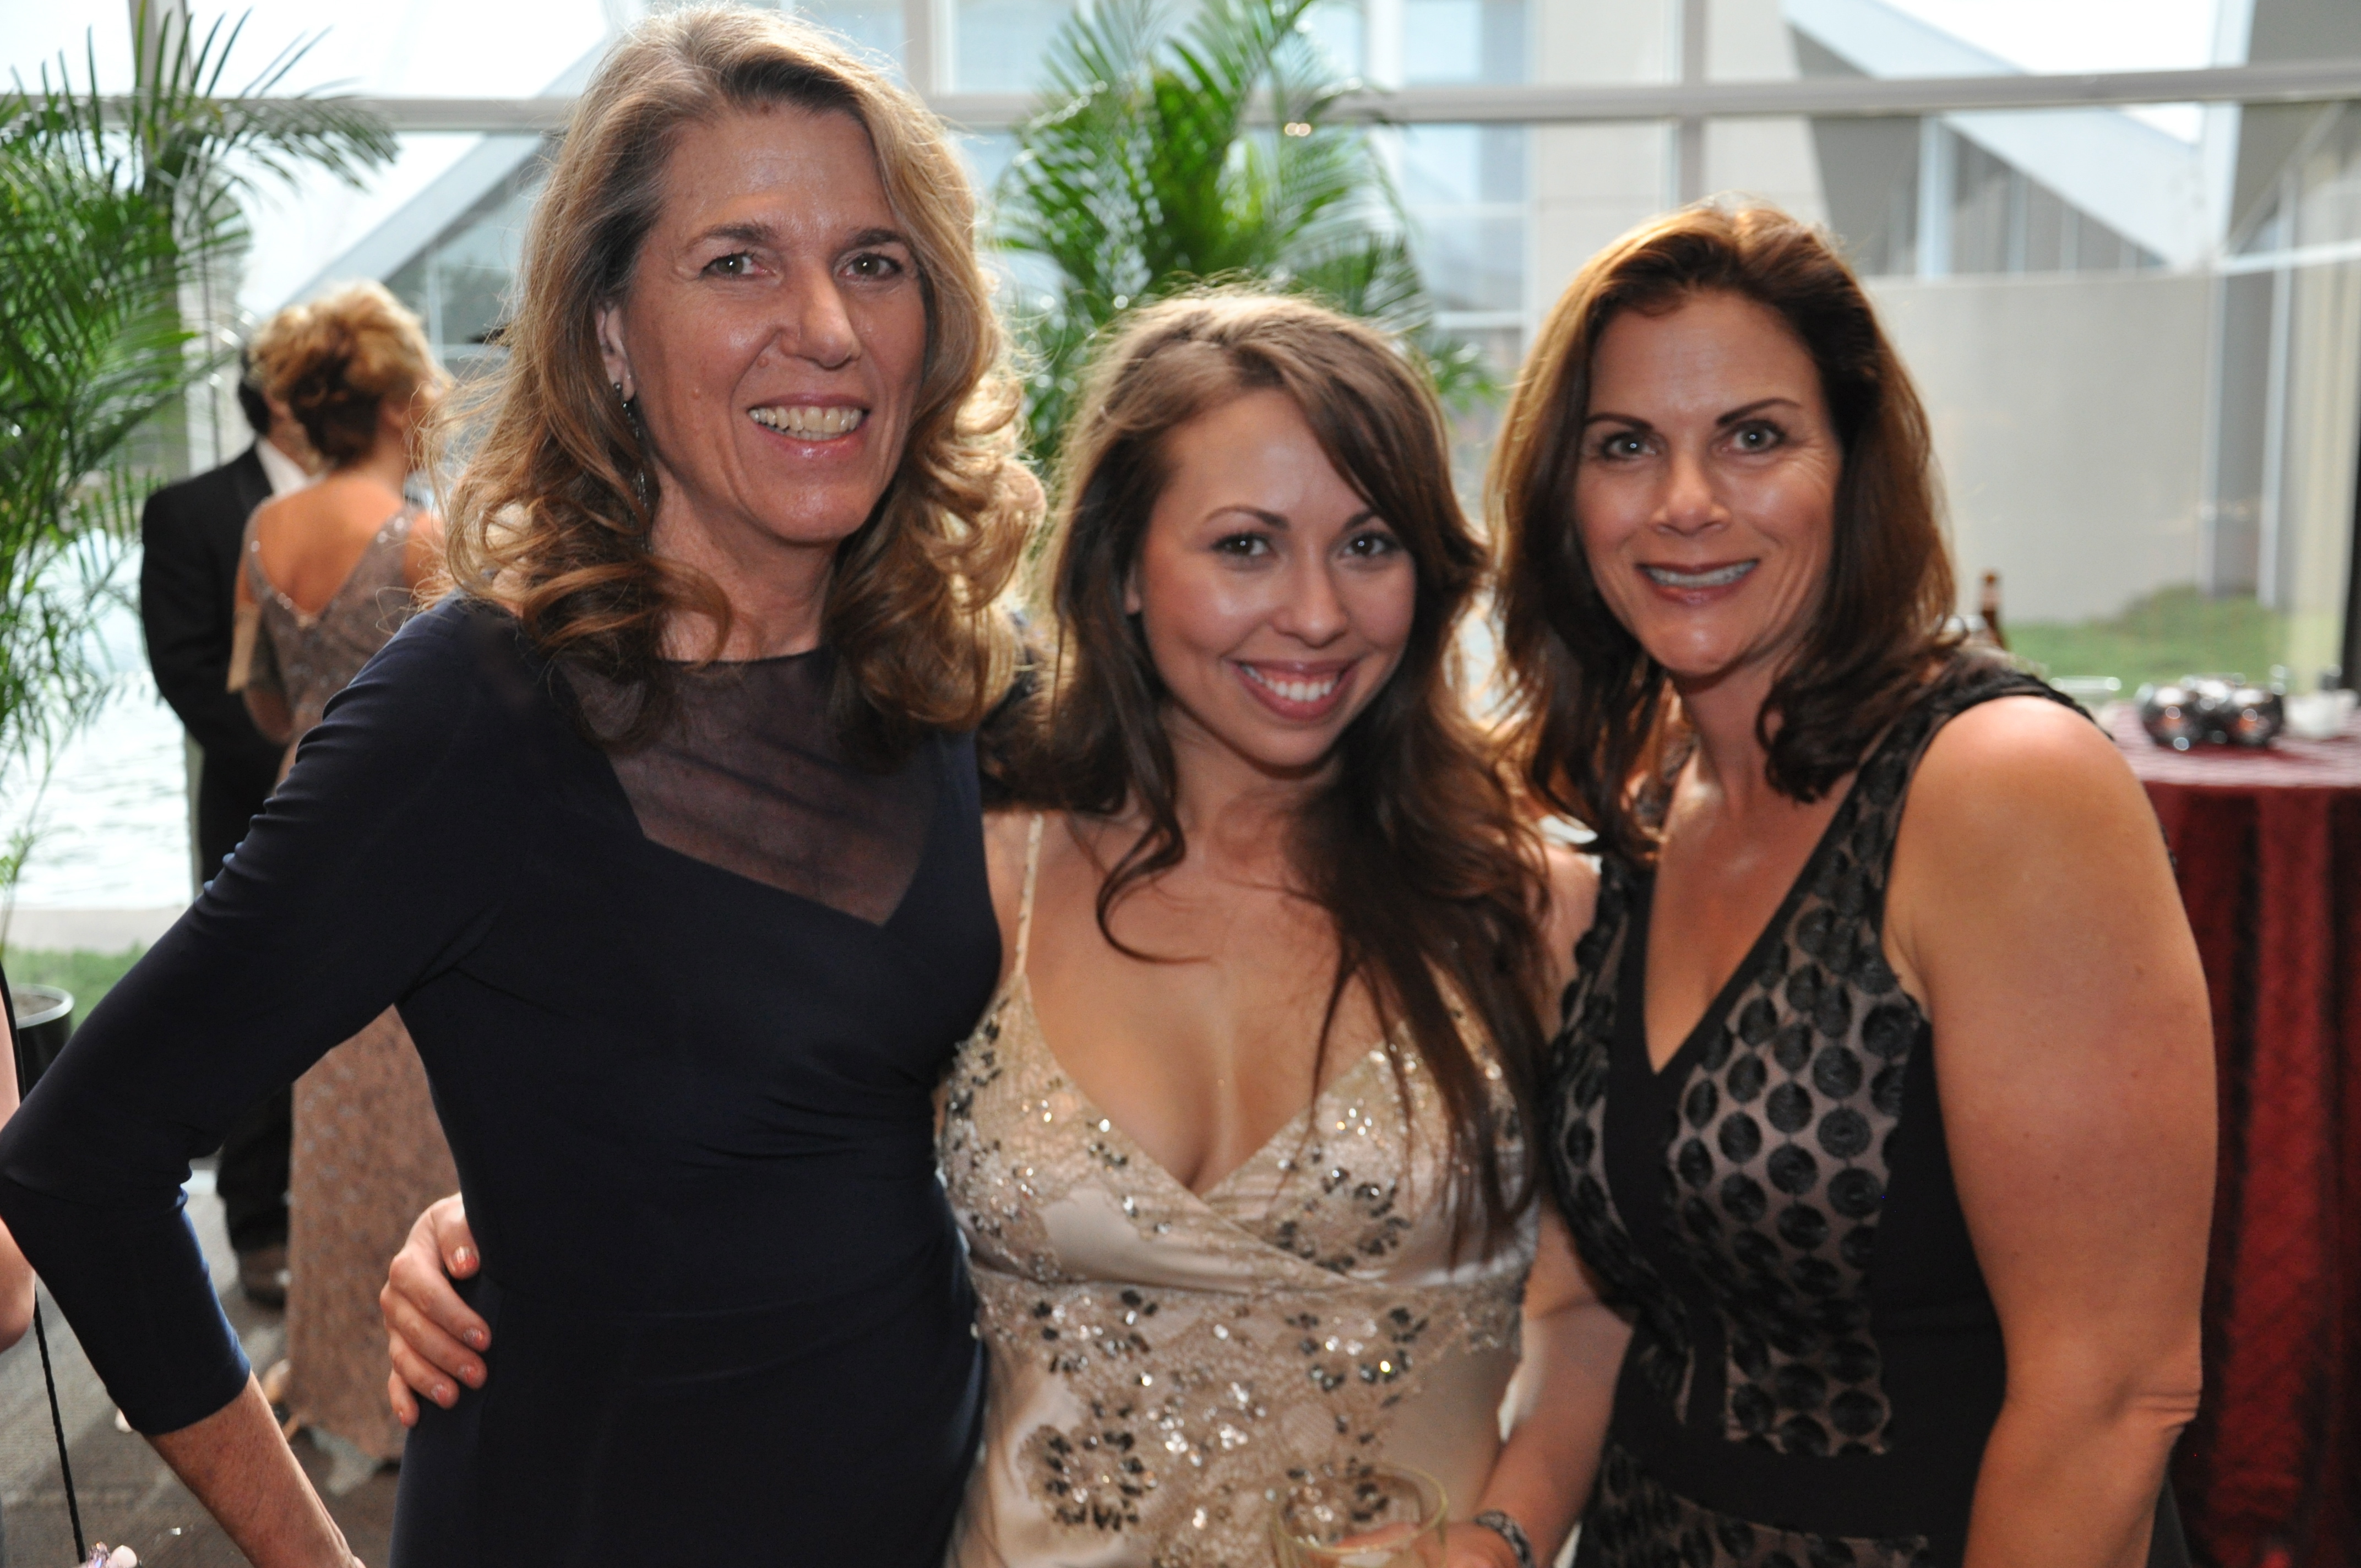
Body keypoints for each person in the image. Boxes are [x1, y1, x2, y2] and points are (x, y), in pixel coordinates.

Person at [0, 8, 1037, 1566]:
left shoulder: (966, 685)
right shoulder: (482, 712)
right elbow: (83, 1157)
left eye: (876, 260)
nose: (823, 322)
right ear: (610, 332)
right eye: (737, 259)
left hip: (928, 1512)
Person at [382, 293, 1631, 1568]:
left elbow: (1590, 1309)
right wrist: (492, 1226)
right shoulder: (977, 872)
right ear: (1126, 570)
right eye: (1245, 546)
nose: (1314, 611)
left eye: (1368, 544)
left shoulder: (1528, 909)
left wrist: (1504, 1535)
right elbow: (737, 1159)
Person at [1491, 205, 2214, 1566]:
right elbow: (1602, 1303)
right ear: (1562, 494)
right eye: (1624, 445)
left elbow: (2114, 1393)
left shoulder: (1998, 783)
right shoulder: (1648, 802)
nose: (1682, 501)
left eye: (1753, 437)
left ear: (1851, 464)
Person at [230, 281, 460, 1471]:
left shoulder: (265, 536)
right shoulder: (421, 538)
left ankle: (331, 1375)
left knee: (329, 1115)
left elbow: (264, 696)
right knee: (430, 1118)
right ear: (393, 400)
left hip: (301, 839)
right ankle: (426, 1377)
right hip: (413, 843)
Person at [139, 341, 322, 1308]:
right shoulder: (193, 509)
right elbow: (185, 669)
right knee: (256, 1015)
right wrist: (306, 766)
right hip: (255, 801)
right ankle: (257, 1229)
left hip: (376, 816)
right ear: (278, 400)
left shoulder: (380, 501)